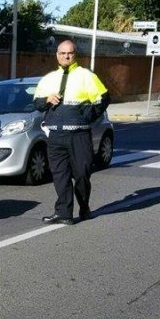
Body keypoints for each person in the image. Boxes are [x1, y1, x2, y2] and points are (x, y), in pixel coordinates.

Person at [33, 39, 110, 225]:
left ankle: (84, 207)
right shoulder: (48, 78)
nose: (66, 56)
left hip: (79, 135)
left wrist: (86, 116)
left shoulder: (86, 76)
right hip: (56, 135)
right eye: (62, 53)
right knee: (60, 175)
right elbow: (37, 102)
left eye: (70, 53)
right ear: (57, 55)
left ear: (75, 55)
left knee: (82, 174)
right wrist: (47, 99)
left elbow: (104, 99)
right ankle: (64, 213)